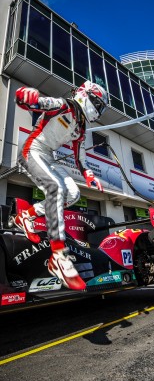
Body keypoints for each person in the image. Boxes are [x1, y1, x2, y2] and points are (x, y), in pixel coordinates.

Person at [14, 81, 108, 290]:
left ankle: (26, 215)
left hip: (48, 156)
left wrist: (90, 176)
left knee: (73, 194)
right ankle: (58, 255)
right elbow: (34, 102)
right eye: (98, 105)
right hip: (32, 150)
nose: (98, 111)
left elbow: (81, 159)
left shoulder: (82, 128)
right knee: (56, 188)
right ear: (85, 95)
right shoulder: (62, 105)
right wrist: (24, 95)